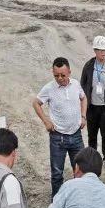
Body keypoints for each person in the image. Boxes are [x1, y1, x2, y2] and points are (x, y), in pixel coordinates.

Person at [33, 57, 87, 199]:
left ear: (69, 71)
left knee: (81, 169)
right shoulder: (49, 88)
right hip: (58, 137)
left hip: (76, 135)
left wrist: (83, 116)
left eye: (63, 75)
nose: (60, 78)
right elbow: (36, 103)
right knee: (57, 173)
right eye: (56, 75)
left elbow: (84, 98)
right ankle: (56, 202)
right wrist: (46, 121)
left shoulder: (75, 84)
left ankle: (79, 198)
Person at [80, 35, 105, 166]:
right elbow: (83, 84)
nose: (103, 53)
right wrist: (84, 104)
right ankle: (93, 159)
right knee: (92, 135)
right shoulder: (88, 66)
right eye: (100, 50)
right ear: (95, 51)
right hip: (92, 107)